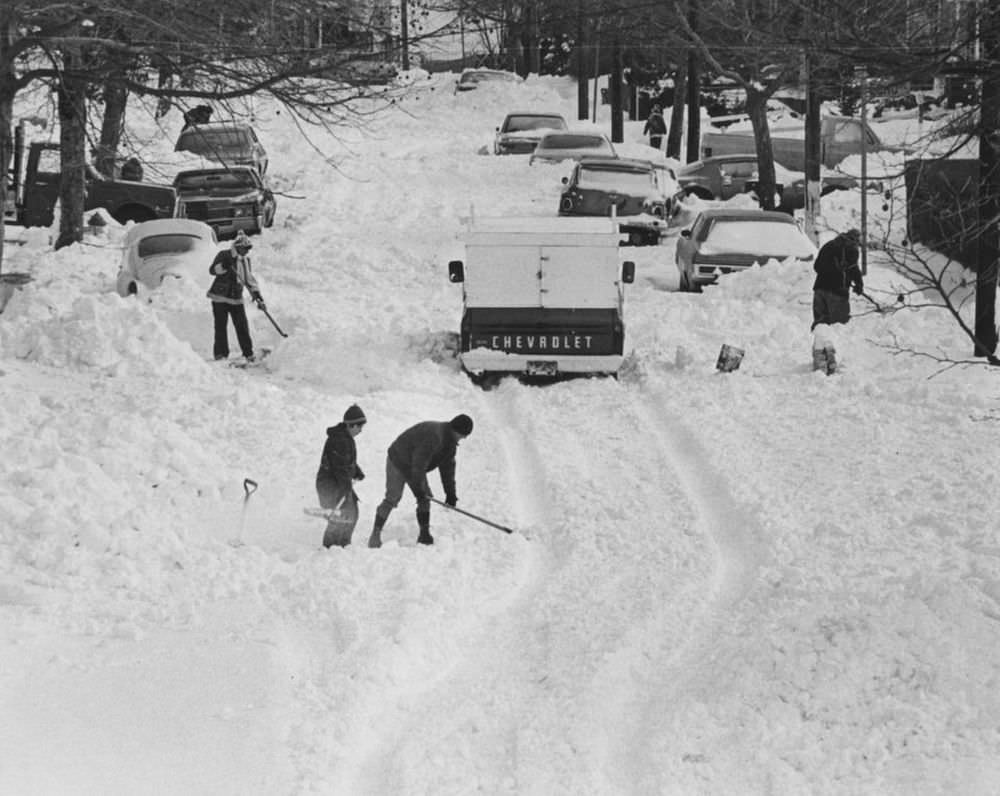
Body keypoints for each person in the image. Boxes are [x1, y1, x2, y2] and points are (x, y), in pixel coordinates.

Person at [368, 414, 474, 548]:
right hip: (398, 460)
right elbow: (419, 463)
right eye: (463, 434)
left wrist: (450, 494)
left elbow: (448, 470)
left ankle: (424, 535)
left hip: (415, 465)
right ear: (455, 429)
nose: (464, 438)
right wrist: (419, 489)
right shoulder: (434, 436)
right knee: (392, 497)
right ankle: (375, 534)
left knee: (425, 497)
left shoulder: (450, 445)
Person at [207, 230, 265, 362]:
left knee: (242, 325)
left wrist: (256, 294)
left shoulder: (245, 260)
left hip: (236, 297)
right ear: (238, 247)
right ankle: (221, 354)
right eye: (245, 249)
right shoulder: (224, 255)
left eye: (248, 249)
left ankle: (248, 353)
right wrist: (223, 266)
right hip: (219, 297)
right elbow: (212, 270)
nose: (247, 252)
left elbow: (248, 278)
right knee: (221, 326)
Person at [315, 404, 367, 548]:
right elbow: (340, 468)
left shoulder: (345, 438)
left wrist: (356, 471)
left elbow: (346, 461)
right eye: (359, 426)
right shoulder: (339, 440)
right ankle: (329, 547)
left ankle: (343, 545)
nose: (361, 430)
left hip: (338, 483)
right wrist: (347, 490)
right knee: (341, 516)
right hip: (329, 485)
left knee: (351, 512)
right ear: (351, 425)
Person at [811, 228, 864, 331]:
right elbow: (853, 269)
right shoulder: (851, 248)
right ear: (856, 239)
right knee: (839, 329)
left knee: (820, 328)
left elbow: (816, 266)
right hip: (838, 291)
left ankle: (818, 346)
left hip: (819, 290)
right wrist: (859, 284)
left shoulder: (829, 245)